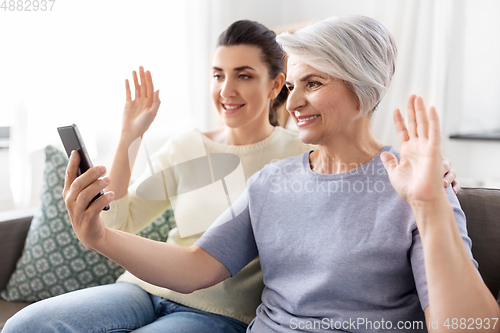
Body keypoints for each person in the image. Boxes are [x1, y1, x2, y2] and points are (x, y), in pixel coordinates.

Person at [4, 19, 462, 333]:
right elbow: (177, 254)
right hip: (155, 289)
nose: (295, 101)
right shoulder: (265, 177)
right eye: (218, 74)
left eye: (313, 84)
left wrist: (430, 200)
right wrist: (100, 228)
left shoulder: (383, 176)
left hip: (222, 311)